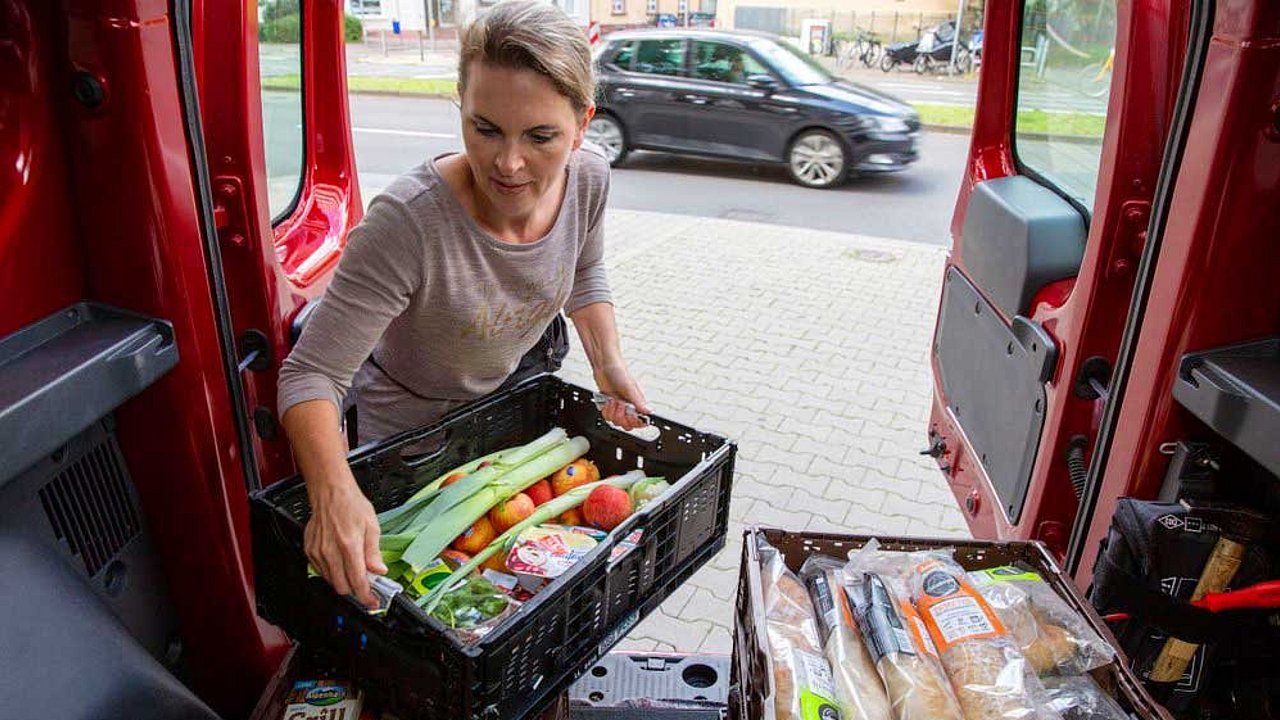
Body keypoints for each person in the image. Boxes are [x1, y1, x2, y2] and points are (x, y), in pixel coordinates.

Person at [277, 0, 649, 611]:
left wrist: (609, 365)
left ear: (582, 124)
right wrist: (334, 490)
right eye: (485, 128)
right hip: (410, 430)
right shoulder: (409, 223)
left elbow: (584, 267)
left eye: (541, 137)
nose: (508, 164)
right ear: (460, 107)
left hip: (507, 405)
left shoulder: (589, 179)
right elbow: (310, 374)